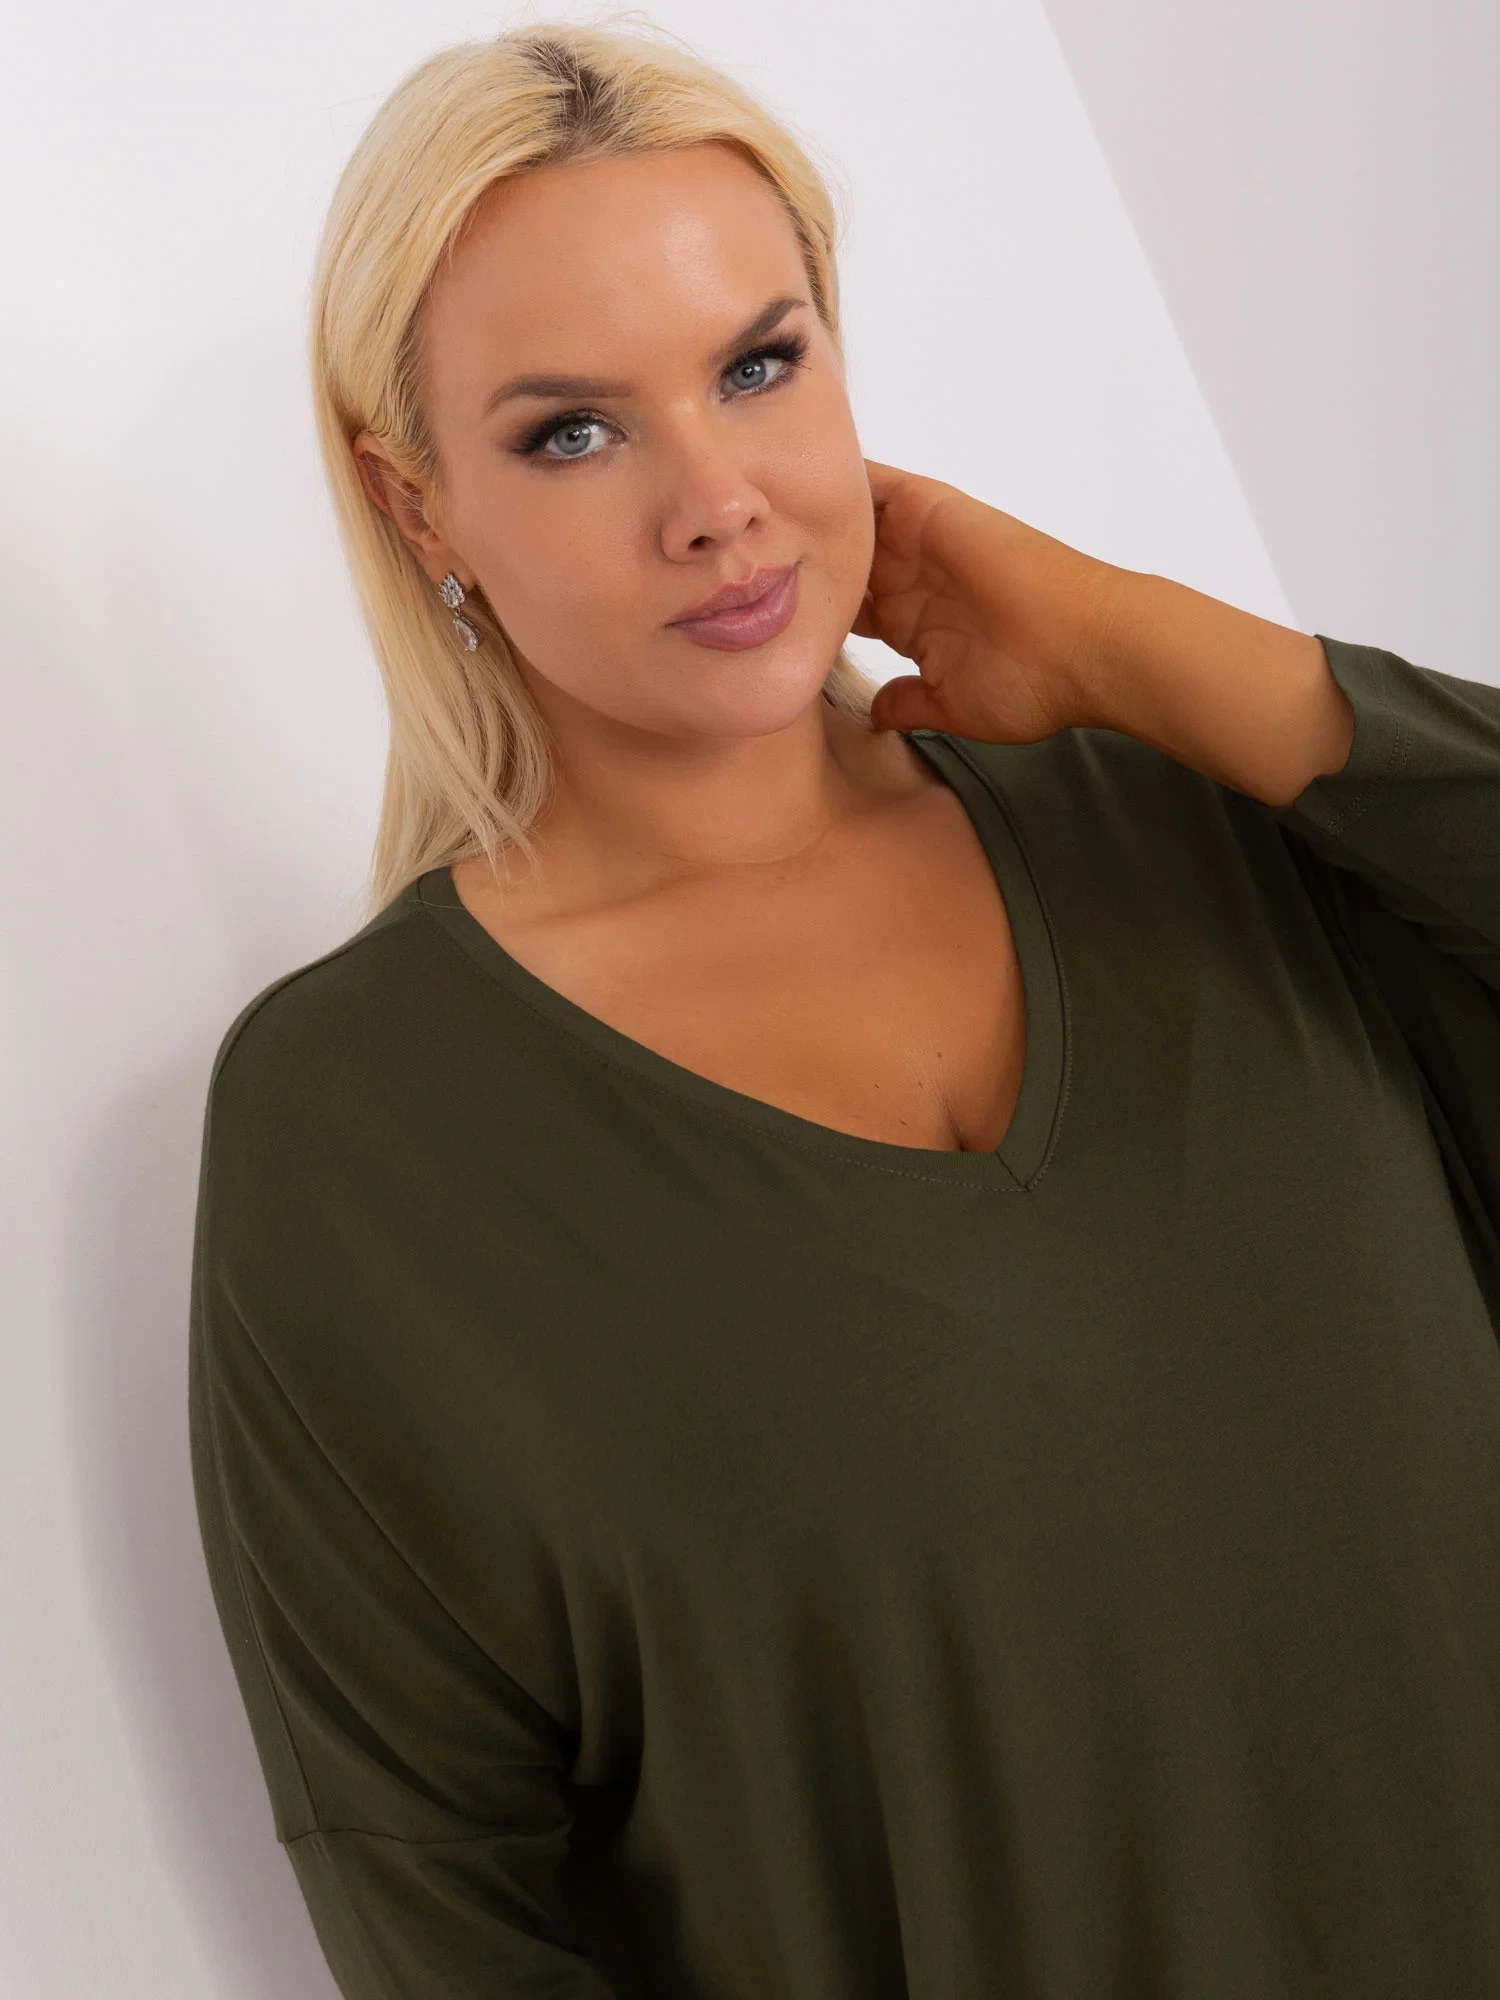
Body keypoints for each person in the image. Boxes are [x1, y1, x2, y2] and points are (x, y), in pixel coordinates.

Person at [188, 18, 1500, 2000]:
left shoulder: (1210, 824)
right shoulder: (362, 1132)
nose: (716, 500)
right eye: (572, 431)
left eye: (758, 365)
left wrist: (1144, 644)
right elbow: (436, 1895)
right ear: (418, 506)